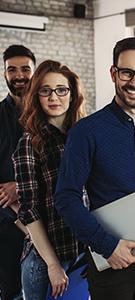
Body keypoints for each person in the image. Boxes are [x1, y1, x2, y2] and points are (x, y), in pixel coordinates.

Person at [54, 37, 135, 300]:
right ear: (113, 73)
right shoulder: (86, 131)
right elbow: (65, 197)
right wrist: (107, 246)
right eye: (127, 72)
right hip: (110, 260)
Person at [12, 60, 87, 300]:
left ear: (72, 94)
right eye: (45, 90)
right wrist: (53, 265)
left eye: (61, 89)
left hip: (83, 253)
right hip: (46, 262)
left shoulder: (84, 136)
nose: (54, 97)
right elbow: (29, 211)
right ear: (37, 96)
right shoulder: (30, 142)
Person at [0, 45, 35, 300]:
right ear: (4, 75)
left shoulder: (47, 112)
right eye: (12, 70)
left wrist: (19, 187)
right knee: (11, 290)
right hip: (5, 222)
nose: (19, 75)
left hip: (46, 216)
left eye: (25, 69)